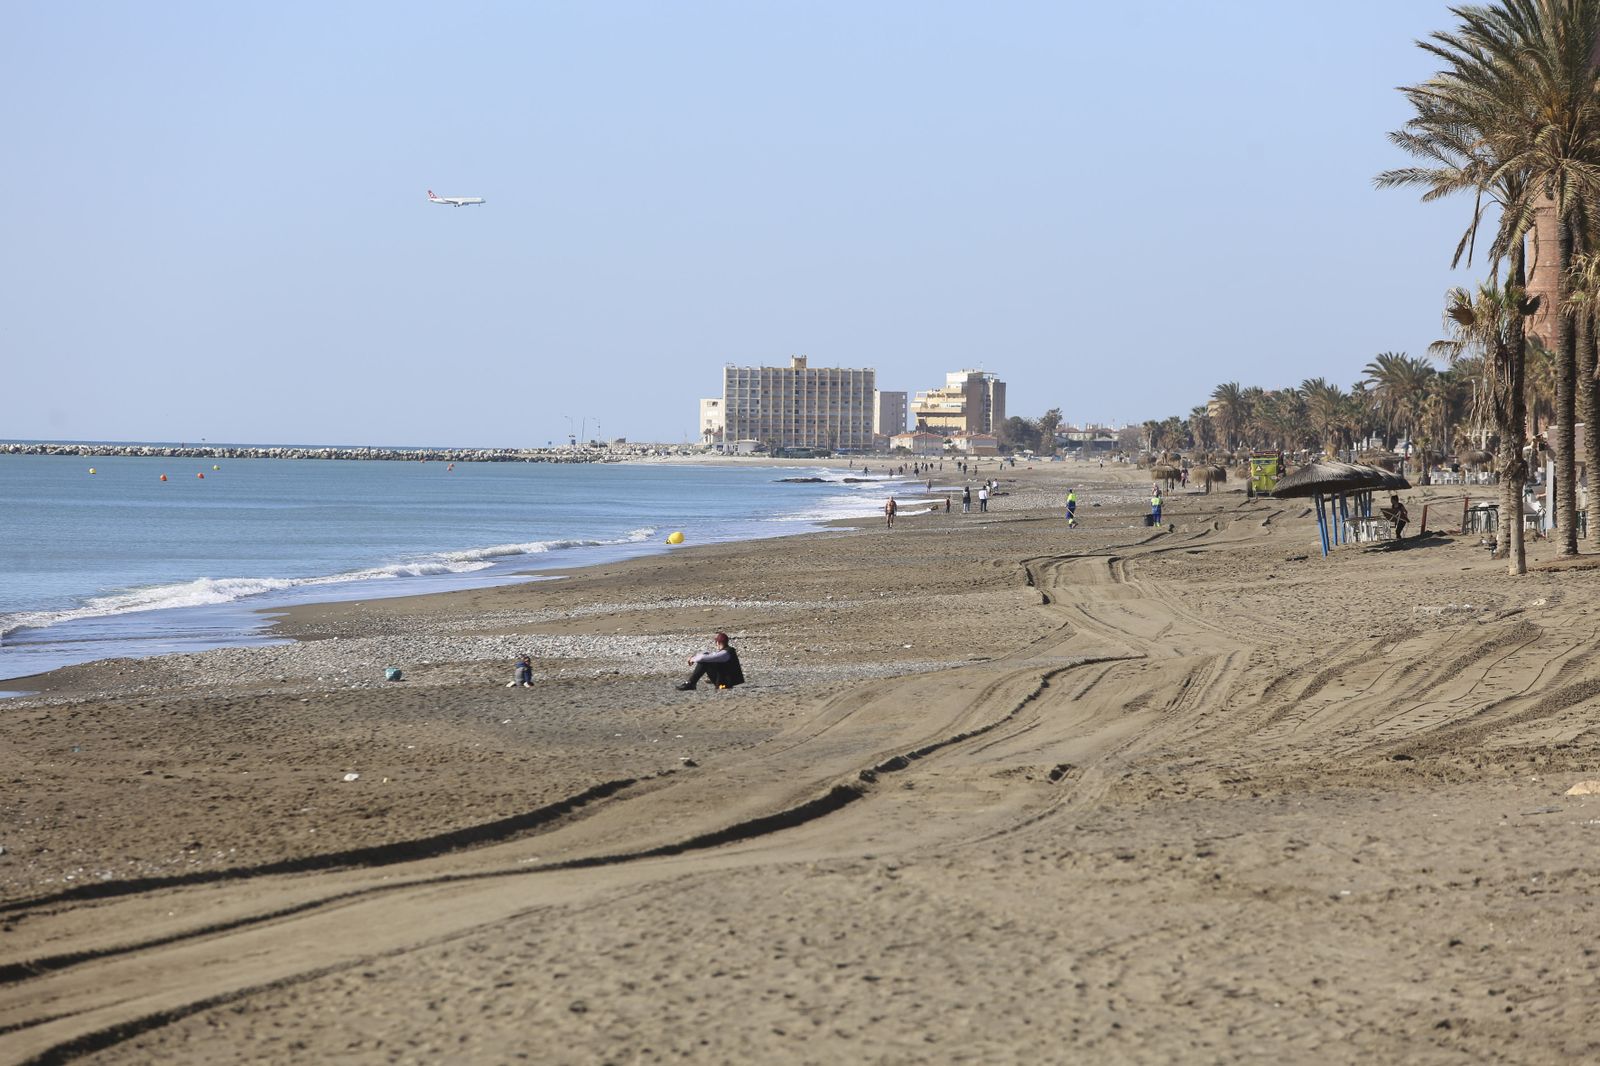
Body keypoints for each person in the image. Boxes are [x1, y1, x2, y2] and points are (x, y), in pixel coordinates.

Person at [676, 632, 744, 691]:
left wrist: (692, 659)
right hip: (726, 682)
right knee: (706, 658)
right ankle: (691, 683)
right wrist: (694, 656)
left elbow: (702, 658)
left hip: (725, 685)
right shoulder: (726, 651)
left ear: (718, 642)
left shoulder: (725, 653)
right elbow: (708, 654)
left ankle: (691, 683)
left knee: (704, 662)